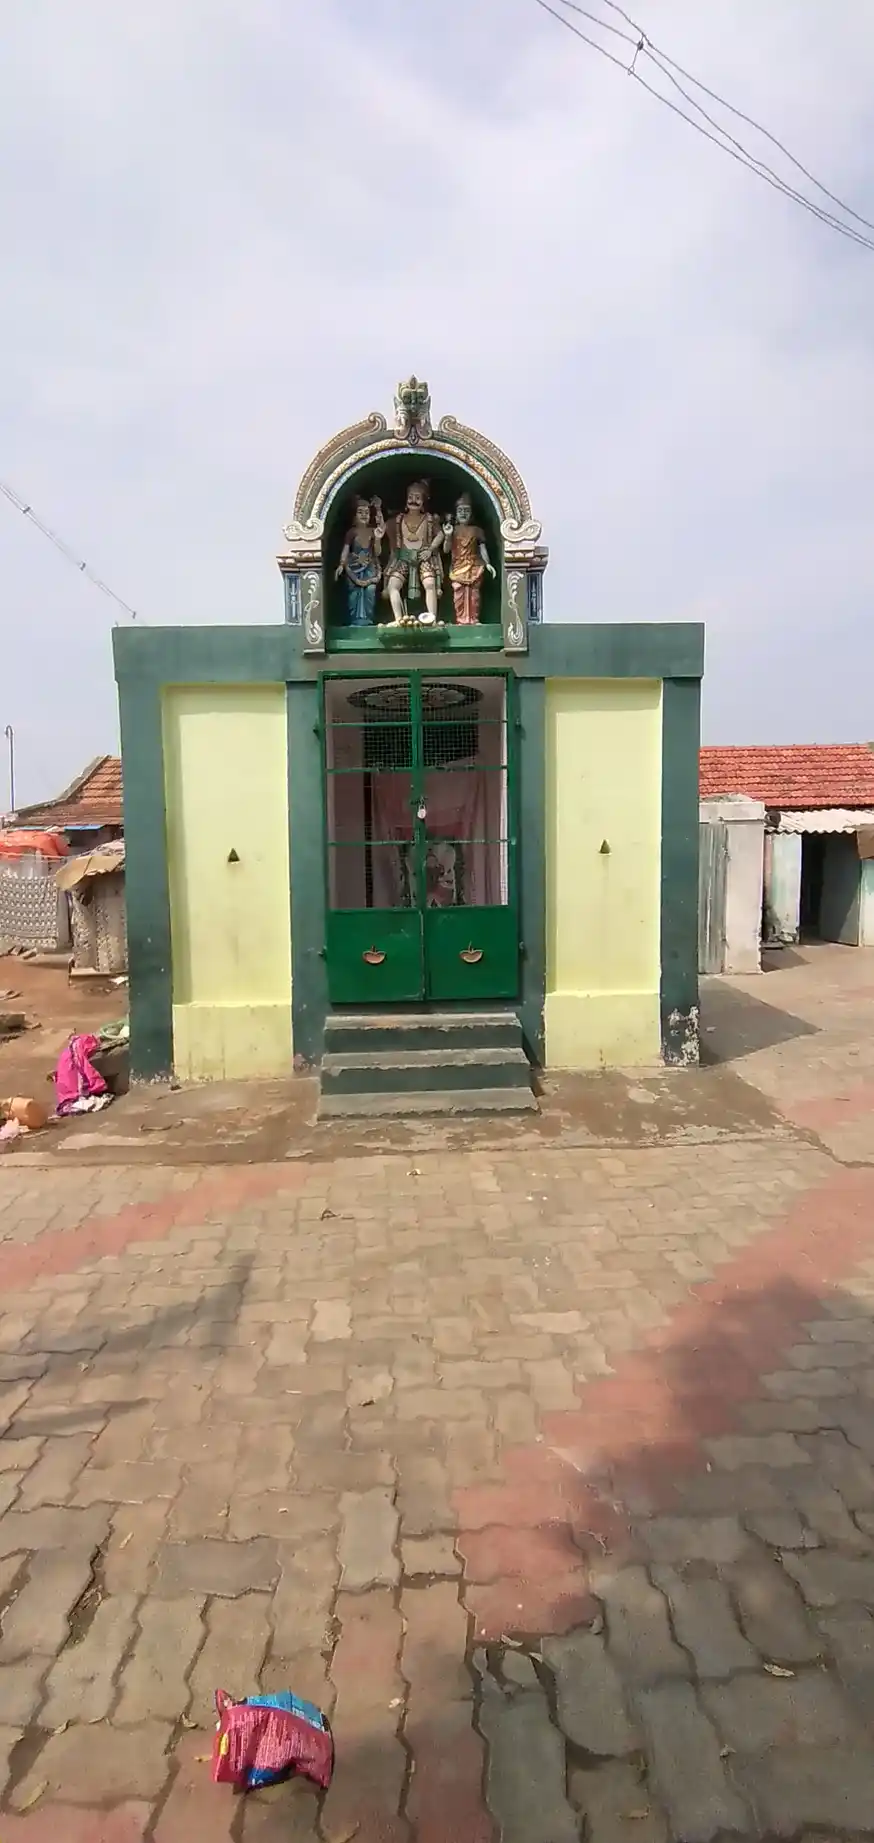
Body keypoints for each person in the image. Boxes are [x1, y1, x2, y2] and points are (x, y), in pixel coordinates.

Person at [384, 481, 444, 625]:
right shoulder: (398, 520)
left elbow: (440, 534)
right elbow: (384, 527)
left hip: (423, 557)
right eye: (410, 497)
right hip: (403, 557)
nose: (413, 501)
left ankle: (432, 619)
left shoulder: (429, 519)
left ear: (423, 501)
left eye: (417, 498)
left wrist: (430, 550)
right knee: (393, 585)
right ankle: (398, 619)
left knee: (430, 584)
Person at [443, 491, 496, 625]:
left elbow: (482, 548)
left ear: (471, 513)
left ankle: (474, 619)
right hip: (458, 566)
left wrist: (488, 563)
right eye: (460, 510)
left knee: (474, 594)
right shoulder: (452, 530)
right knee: (459, 593)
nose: (463, 513)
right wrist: (448, 536)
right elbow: (446, 549)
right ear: (456, 513)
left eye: (466, 510)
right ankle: (461, 620)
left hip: (474, 565)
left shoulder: (477, 530)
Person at [334, 496, 385, 626]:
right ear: (354, 515)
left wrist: (378, 539)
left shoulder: (373, 532)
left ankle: (368, 619)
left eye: (367, 513)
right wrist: (341, 564)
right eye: (360, 512)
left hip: (370, 567)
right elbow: (346, 549)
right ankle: (355, 620)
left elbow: (377, 552)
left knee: (370, 590)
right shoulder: (352, 532)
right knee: (354, 594)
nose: (364, 515)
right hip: (354, 568)